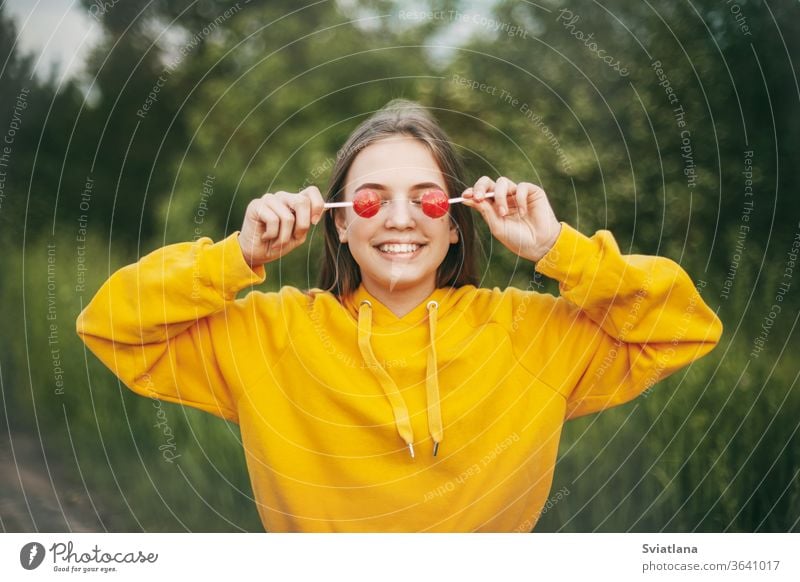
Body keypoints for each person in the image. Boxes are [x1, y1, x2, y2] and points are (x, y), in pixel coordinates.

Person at [76, 100, 723, 532]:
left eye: (427, 200)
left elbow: (682, 327)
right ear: (338, 228)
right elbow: (112, 325)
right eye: (370, 201)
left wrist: (561, 250)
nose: (400, 218)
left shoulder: (531, 333)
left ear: (455, 228)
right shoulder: (269, 335)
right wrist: (235, 257)